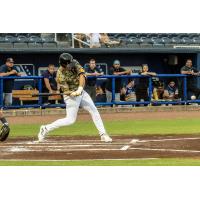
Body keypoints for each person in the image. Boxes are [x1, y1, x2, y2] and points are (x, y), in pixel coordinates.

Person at [38, 53, 112, 143]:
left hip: (80, 91)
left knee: (94, 110)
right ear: (64, 64)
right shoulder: (60, 75)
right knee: (70, 120)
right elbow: (66, 90)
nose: (71, 64)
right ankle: (45, 128)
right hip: (70, 96)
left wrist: (80, 89)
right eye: (69, 63)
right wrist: (73, 93)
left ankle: (103, 134)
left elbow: (82, 75)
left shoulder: (74, 62)